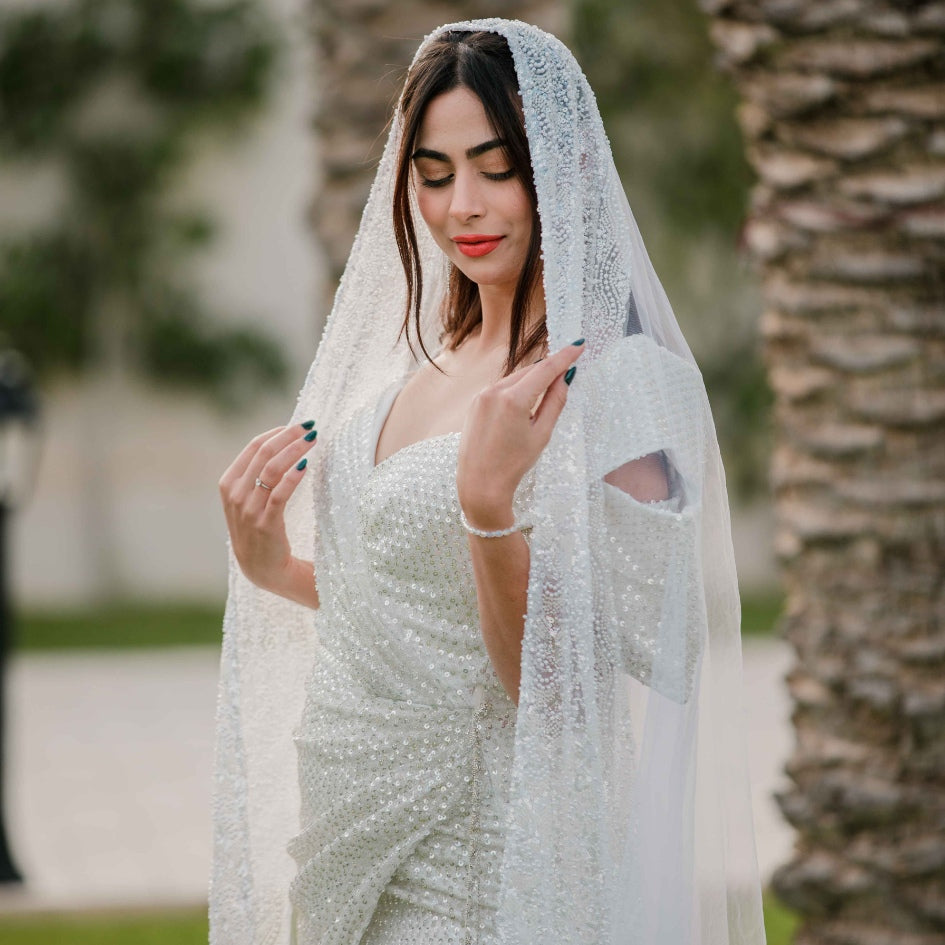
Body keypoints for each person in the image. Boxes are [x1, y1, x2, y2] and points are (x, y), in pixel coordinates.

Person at [210, 17, 766, 945]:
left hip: (486, 873)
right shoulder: (416, 367)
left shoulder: (614, 389)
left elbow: (554, 691)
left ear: (563, 170)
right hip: (349, 849)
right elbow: (422, 609)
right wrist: (278, 569)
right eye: (433, 173)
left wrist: (488, 507)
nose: (460, 204)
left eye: (494, 167)